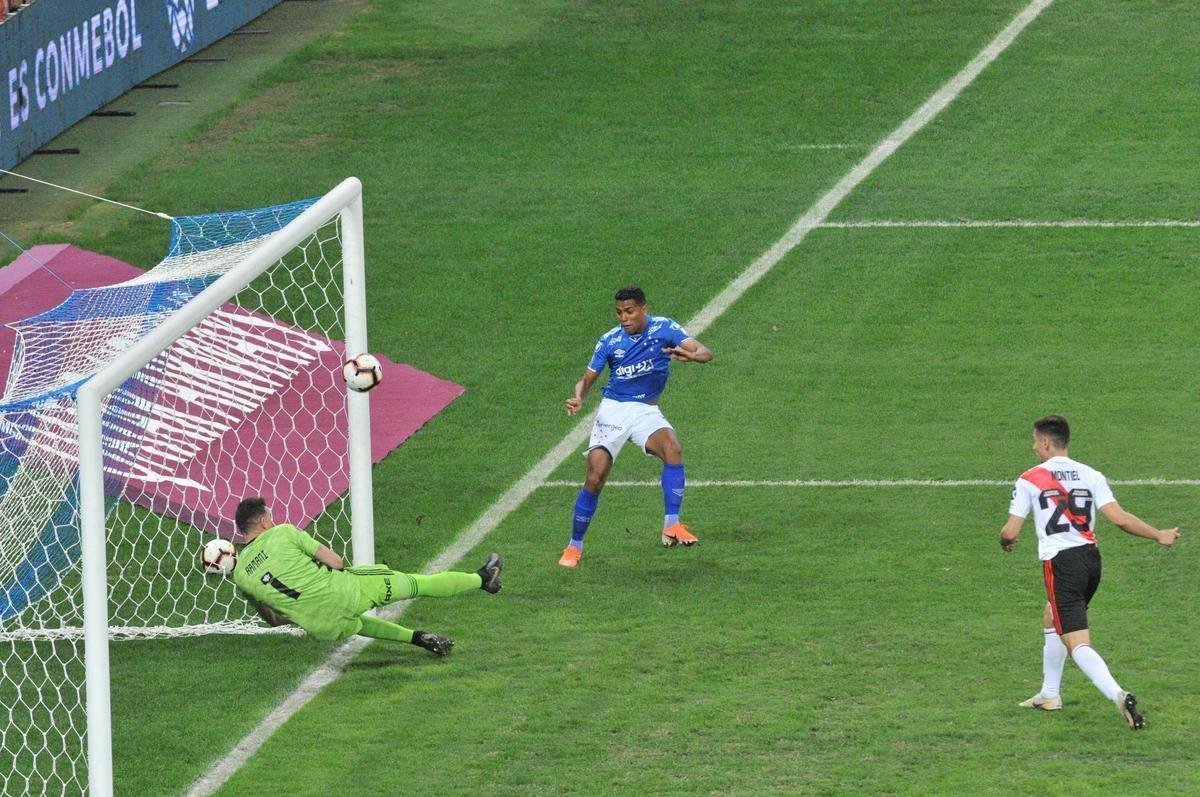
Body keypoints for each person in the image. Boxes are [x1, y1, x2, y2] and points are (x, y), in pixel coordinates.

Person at [999, 415, 1180, 729]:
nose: (1033, 447)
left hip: (1062, 565)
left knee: (1077, 642)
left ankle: (1118, 694)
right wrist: (1158, 534)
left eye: (1035, 441)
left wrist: (1005, 541)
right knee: (1051, 615)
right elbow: (1120, 519)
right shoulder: (1091, 474)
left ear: (1045, 442)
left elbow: (1011, 531)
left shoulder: (1030, 478)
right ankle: (1049, 695)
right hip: (1091, 562)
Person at [559, 285, 713, 567]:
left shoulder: (664, 328)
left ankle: (672, 524)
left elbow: (704, 351)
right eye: (619, 312)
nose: (623, 318)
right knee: (595, 478)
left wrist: (693, 356)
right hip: (614, 411)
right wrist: (579, 397)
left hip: (646, 411)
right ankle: (574, 546)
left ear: (644, 309)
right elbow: (587, 379)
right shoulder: (609, 341)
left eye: (629, 311)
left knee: (673, 449)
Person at [231, 497, 502, 656]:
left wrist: (302, 608)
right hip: (347, 592)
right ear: (263, 522)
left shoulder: (241, 575)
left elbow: (274, 621)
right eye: (270, 517)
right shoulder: (282, 533)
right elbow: (336, 562)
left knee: (354, 622)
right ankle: (483, 578)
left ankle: (420, 639)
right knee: (415, 583)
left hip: (323, 627)